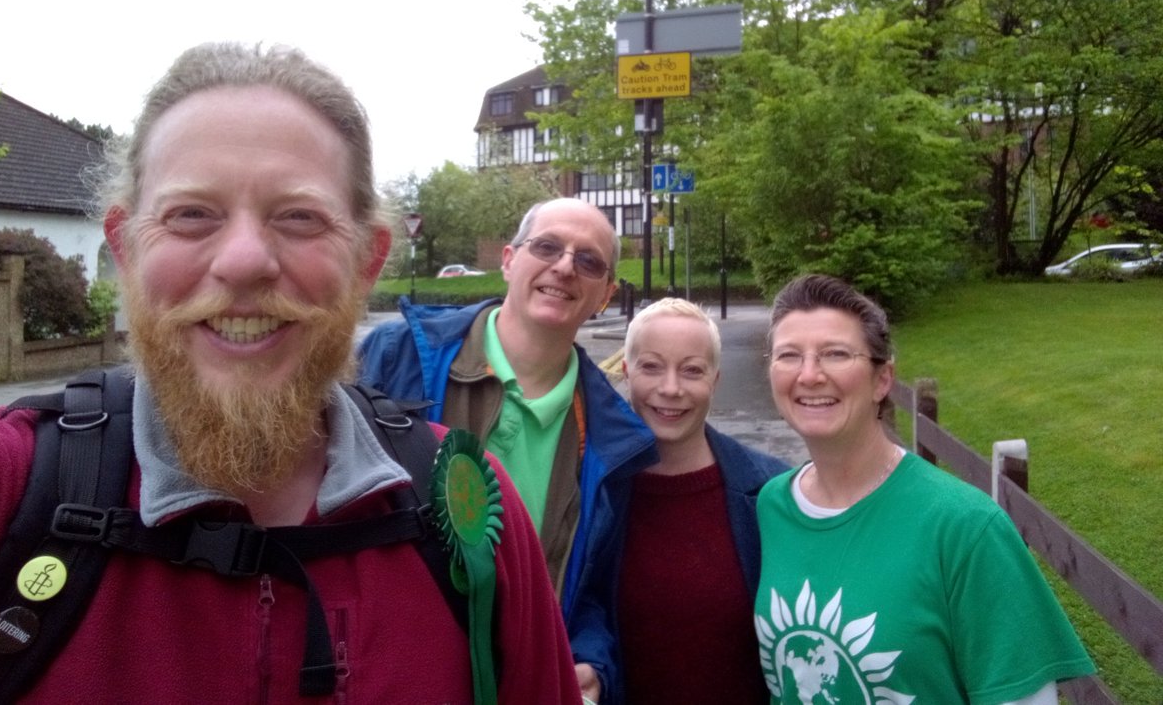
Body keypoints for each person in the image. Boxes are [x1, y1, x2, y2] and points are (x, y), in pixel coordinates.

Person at [0, 43, 581, 704]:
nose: (244, 260)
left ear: (367, 261)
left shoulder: (465, 510)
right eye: (192, 214)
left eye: (298, 217)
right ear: (126, 247)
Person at [755, 273, 1095, 705]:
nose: (809, 374)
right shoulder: (772, 507)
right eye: (789, 355)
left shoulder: (966, 528)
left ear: (883, 379)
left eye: (835, 354)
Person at [357, 198, 657, 609]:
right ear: (509, 261)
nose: (565, 267)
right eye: (547, 247)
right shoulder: (396, 356)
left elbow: (596, 591)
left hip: (526, 668)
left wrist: (592, 658)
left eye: (588, 261)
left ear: (605, 295)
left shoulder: (616, 438)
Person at [571, 298, 788, 705]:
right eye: (652, 366)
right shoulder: (592, 491)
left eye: (692, 370)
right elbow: (582, 599)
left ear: (715, 379)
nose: (671, 388)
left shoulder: (769, 491)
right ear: (625, 370)